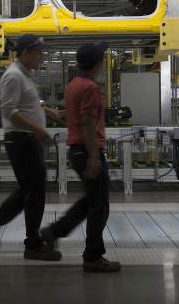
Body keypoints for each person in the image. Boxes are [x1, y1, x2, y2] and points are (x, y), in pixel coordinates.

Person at [0, 34, 64, 261]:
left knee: (29, 190)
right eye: (38, 52)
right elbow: (9, 111)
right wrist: (38, 129)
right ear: (25, 52)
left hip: (27, 140)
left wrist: (47, 111)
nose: (41, 56)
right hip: (22, 140)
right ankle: (32, 245)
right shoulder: (14, 76)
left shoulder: (26, 75)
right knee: (35, 192)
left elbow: (27, 103)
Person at [40, 42, 121, 273]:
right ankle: (92, 257)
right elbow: (87, 122)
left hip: (77, 150)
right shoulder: (90, 88)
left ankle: (54, 231)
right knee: (100, 207)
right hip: (87, 150)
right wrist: (94, 156)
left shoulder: (74, 84)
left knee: (90, 202)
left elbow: (78, 115)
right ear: (97, 64)